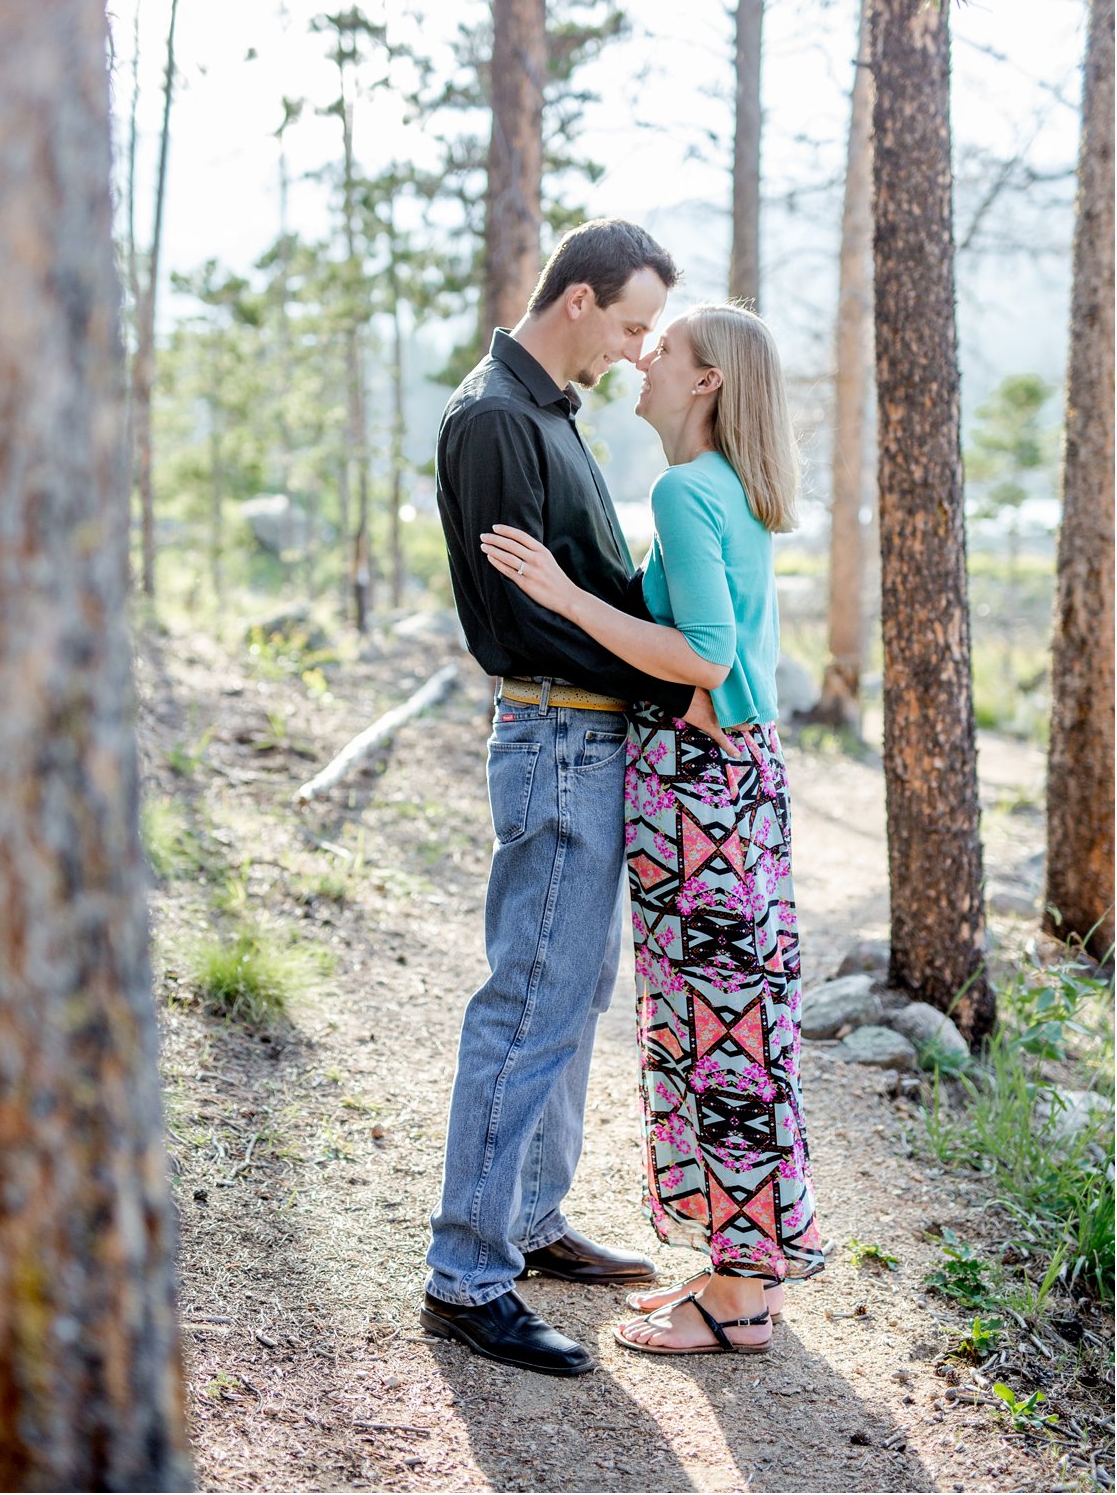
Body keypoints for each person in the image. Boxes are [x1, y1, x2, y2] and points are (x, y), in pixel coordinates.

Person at [481, 303, 825, 1358]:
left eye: (662, 347)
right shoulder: (733, 490)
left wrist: (563, 596)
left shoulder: (685, 489)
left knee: (718, 1031)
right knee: (741, 1023)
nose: (643, 358)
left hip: (700, 784)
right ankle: (739, 1271)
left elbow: (708, 655)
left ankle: (739, 1300)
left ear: (708, 379)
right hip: (741, 778)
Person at [423, 218, 726, 1379]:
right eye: (635, 324)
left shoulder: (545, 410)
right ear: (582, 300)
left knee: (574, 986)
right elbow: (525, 620)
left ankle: (531, 1221)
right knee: (532, 995)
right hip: (555, 732)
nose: (638, 349)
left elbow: (579, 587)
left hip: (584, 735)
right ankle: (466, 1273)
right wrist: (661, 663)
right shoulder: (498, 416)